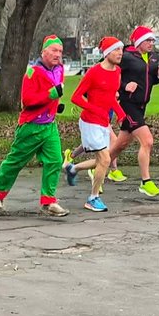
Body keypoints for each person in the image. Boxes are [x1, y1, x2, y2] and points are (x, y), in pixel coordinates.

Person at [0, 35, 70, 218]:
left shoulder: (60, 69)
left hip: (49, 125)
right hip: (31, 126)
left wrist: (55, 105)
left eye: (60, 51)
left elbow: (55, 94)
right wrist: (51, 95)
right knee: (16, 162)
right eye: (54, 51)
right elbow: (27, 100)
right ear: (44, 52)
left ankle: (48, 201)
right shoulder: (32, 73)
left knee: (55, 160)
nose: (58, 55)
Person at [62, 36, 123, 211]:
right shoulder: (94, 72)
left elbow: (111, 96)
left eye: (121, 49)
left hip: (104, 121)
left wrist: (120, 114)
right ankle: (93, 198)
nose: (119, 53)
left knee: (102, 159)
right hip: (90, 122)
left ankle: (72, 168)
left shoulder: (117, 72)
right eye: (115, 50)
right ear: (106, 53)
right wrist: (95, 109)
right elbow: (75, 97)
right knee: (105, 158)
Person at [108, 24, 159, 197]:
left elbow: (150, 80)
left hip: (141, 106)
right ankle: (145, 182)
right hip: (127, 105)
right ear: (139, 41)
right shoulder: (126, 57)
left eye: (153, 40)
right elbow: (108, 73)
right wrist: (125, 86)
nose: (151, 43)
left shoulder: (152, 58)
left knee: (120, 146)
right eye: (148, 40)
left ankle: (95, 168)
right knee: (147, 141)